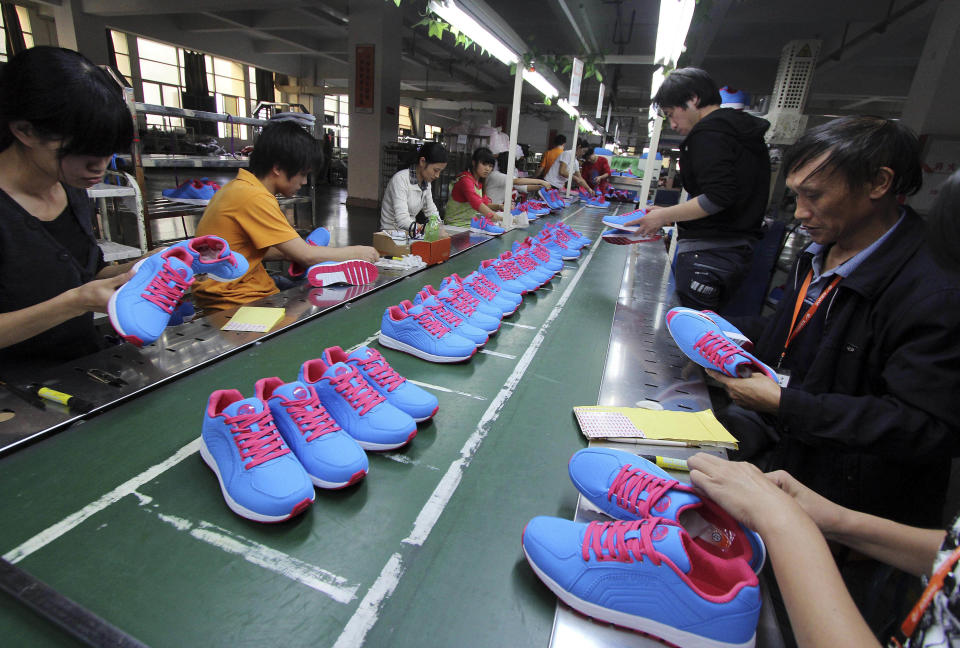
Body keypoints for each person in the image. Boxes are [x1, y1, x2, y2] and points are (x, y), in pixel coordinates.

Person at [708, 116, 960, 529]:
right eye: (795, 196)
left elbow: (927, 428)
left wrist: (785, 404)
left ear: (879, 183)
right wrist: (715, 331)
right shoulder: (820, 251)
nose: (801, 213)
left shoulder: (934, 290)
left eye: (815, 195)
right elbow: (794, 338)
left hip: (856, 510)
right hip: (790, 463)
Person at [0, 46, 139, 376]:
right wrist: (77, 302)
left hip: (79, 369)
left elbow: (84, 273)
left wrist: (144, 266)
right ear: (25, 131)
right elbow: (78, 292)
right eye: (87, 156)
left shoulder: (69, 187)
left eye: (108, 156)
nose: (100, 169)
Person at [192, 121, 379, 311]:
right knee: (318, 312)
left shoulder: (238, 188)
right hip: (234, 299)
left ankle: (323, 264)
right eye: (303, 173)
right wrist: (356, 253)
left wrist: (292, 252)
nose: (304, 181)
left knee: (302, 282)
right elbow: (306, 257)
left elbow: (249, 250)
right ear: (278, 168)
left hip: (237, 286)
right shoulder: (254, 197)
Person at [628, 67, 771, 312]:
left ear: (693, 99)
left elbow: (719, 196)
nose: (672, 124)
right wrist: (670, 211)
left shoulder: (710, 133)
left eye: (672, 113)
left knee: (689, 332)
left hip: (709, 255)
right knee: (705, 327)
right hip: (734, 251)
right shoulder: (738, 131)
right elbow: (728, 195)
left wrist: (663, 217)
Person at [380, 142, 447, 235]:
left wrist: (439, 226)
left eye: (440, 171)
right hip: (391, 234)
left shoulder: (426, 182)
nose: (437, 175)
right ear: (422, 162)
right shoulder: (400, 179)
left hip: (410, 233)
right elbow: (402, 220)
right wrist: (426, 229)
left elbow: (431, 211)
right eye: (435, 170)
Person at [445, 147, 503, 228]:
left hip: (468, 226)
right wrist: (499, 218)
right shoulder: (465, 180)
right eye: (484, 164)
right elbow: (476, 203)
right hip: (455, 226)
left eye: (490, 166)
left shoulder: (478, 183)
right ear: (474, 162)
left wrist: (499, 206)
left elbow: (485, 204)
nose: (487, 169)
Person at [484, 150, 552, 209]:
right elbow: (517, 181)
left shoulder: (506, 177)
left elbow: (524, 188)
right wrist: (541, 181)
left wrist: (541, 187)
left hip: (499, 211)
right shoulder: (495, 175)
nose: (515, 167)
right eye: (514, 164)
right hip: (491, 211)